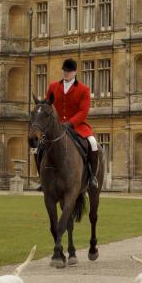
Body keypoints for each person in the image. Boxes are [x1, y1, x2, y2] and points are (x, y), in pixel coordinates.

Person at [40, 58, 100, 189]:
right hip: (56, 126)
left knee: (93, 143)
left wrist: (70, 123)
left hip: (77, 126)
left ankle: (92, 177)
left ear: (75, 72)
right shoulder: (53, 87)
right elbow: (47, 106)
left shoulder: (84, 89)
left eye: (69, 71)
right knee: (39, 146)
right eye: (64, 70)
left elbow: (83, 112)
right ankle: (42, 178)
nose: (66, 73)